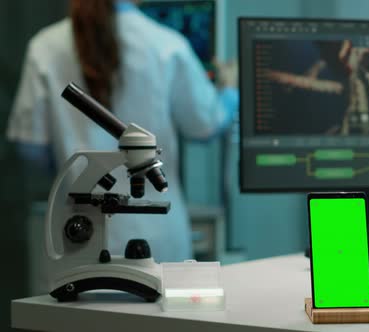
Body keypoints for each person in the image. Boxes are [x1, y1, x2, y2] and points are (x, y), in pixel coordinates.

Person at [6, 0, 237, 262]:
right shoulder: (166, 45)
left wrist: (73, 168)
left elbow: (31, 147)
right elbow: (205, 125)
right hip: (156, 236)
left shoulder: (45, 47)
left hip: (79, 234)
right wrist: (229, 91)